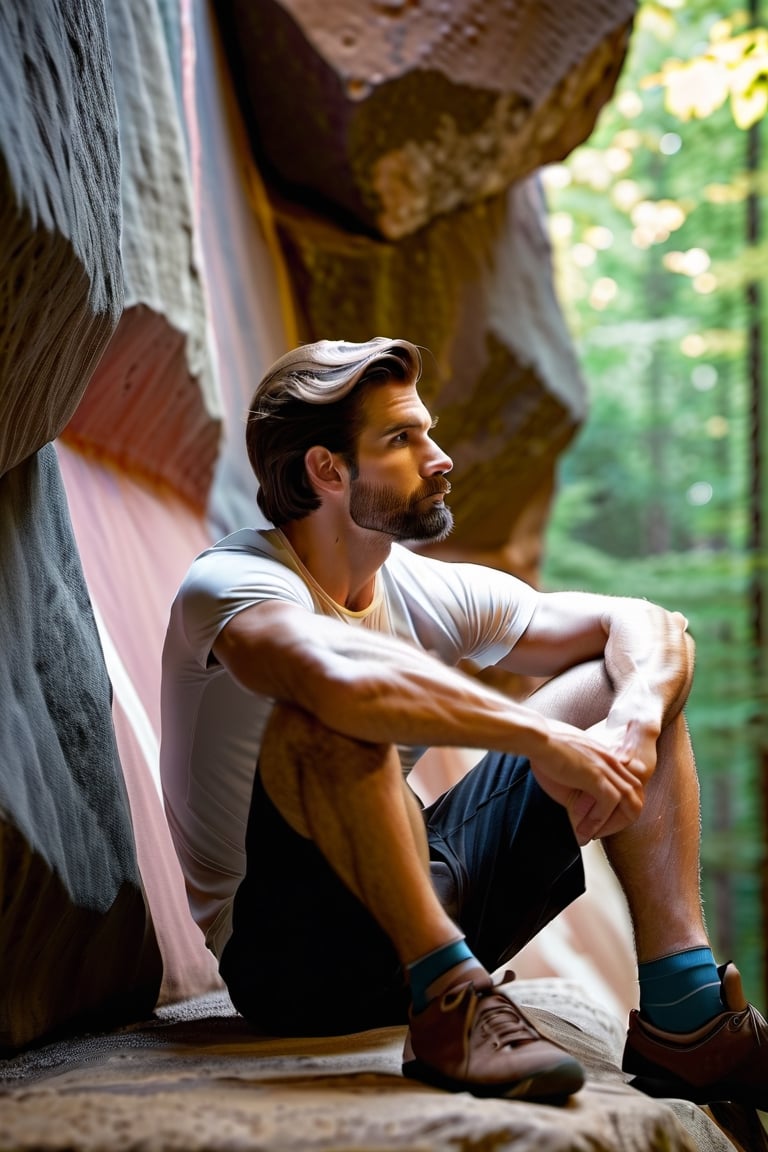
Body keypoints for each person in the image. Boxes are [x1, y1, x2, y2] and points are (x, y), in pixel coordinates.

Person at [160, 336, 768, 1106]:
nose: (439, 457)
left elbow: (648, 623)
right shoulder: (235, 582)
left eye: (428, 431)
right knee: (323, 716)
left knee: (625, 673)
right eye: (403, 439)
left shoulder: (414, 584)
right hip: (292, 957)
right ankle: (450, 1003)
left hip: (425, 888)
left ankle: (689, 1024)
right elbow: (335, 680)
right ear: (328, 471)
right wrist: (543, 741)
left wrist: (634, 725)